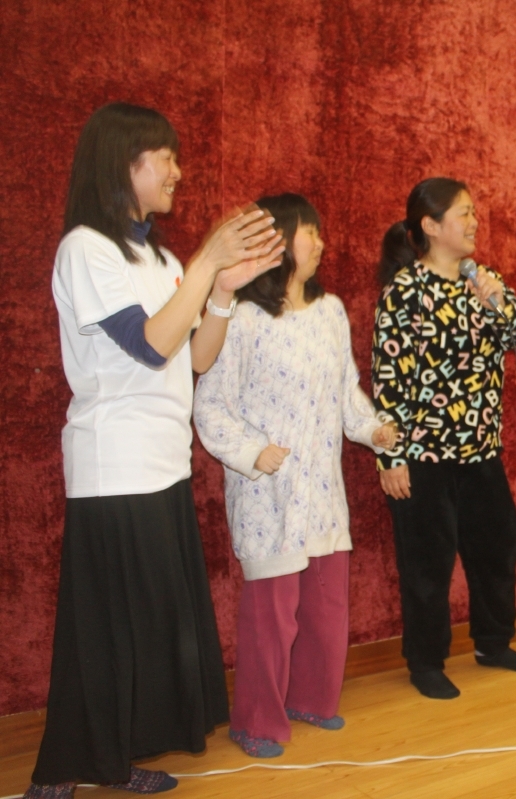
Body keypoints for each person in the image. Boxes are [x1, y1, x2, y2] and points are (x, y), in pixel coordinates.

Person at [28, 102, 283, 799]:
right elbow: (148, 344)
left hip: (162, 466)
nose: (177, 170)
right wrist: (206, 264)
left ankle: (120, 756)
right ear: (123, 163)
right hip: (113, 467)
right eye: (163, 157)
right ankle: (62, 771)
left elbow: (194, 356)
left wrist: (220, 291)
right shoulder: (87, 248)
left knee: (145, 628)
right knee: (106, 631)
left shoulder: (164, 258)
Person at [194, 194, 397, 757]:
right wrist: (252, 451)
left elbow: (346, 391)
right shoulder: (243, 318)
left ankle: (311, 698)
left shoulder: (330, 311)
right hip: (268, 491)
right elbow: (210, 404)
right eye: (311, 231)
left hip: (323, 489)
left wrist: (373, 428)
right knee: (272, 616)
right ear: (278, 242)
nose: (321, 243)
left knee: (326, 606)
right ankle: (255, 721)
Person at [372, 177, 516, 700]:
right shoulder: (405, 290)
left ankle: (493, 642)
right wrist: (390, 457)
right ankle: (425, 661)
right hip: (424, 454)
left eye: (473, 212)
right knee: (427, 565)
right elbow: (389, 379)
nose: (474, 222)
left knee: (497, 548)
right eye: (463, 213)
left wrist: (495, 299)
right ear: (430, 225)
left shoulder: (482, 280)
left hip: (481, 449)